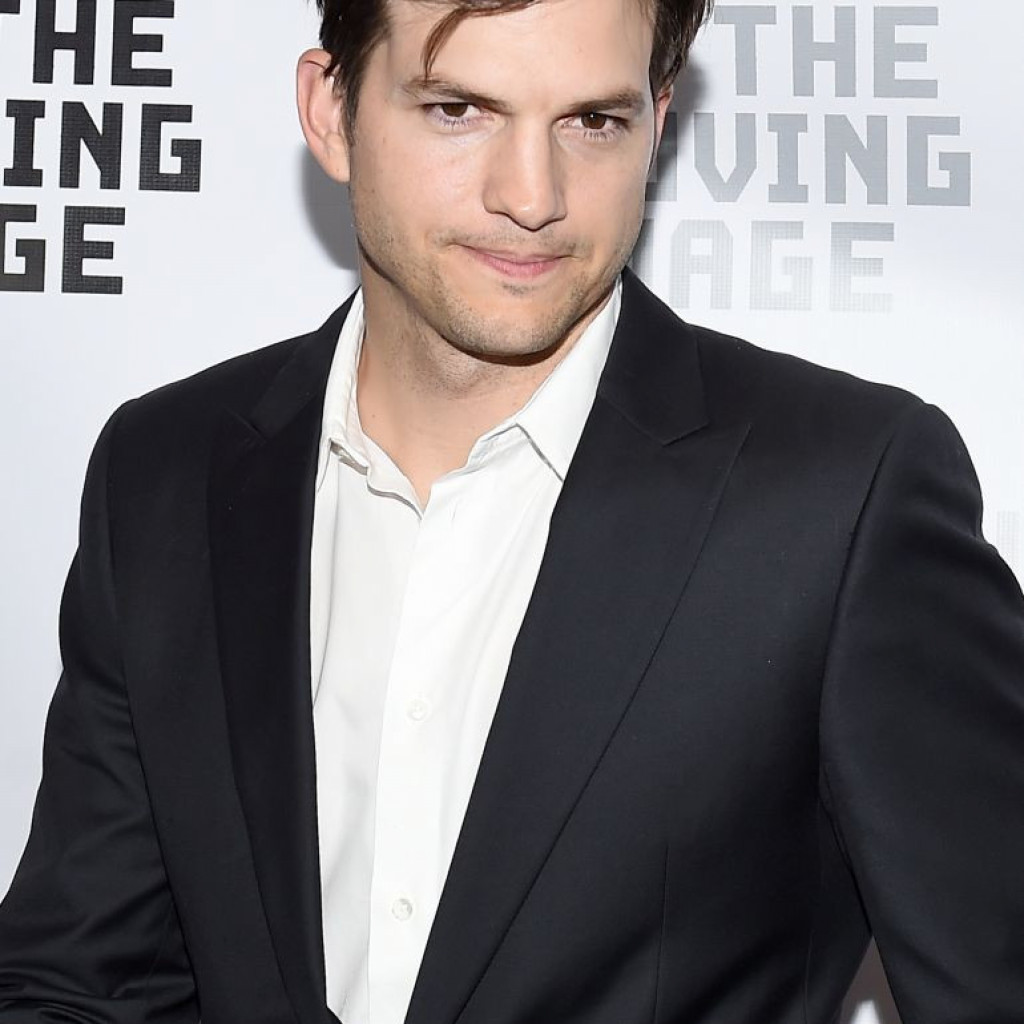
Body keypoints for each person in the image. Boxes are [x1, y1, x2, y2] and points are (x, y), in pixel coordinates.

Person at [1, 0, 1022, 1021]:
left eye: (594, 121)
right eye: (459, 110)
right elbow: (82, 983)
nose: (532, 196)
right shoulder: (167, 475)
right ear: (329, 111)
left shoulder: (841, 498)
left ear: (658, 123)